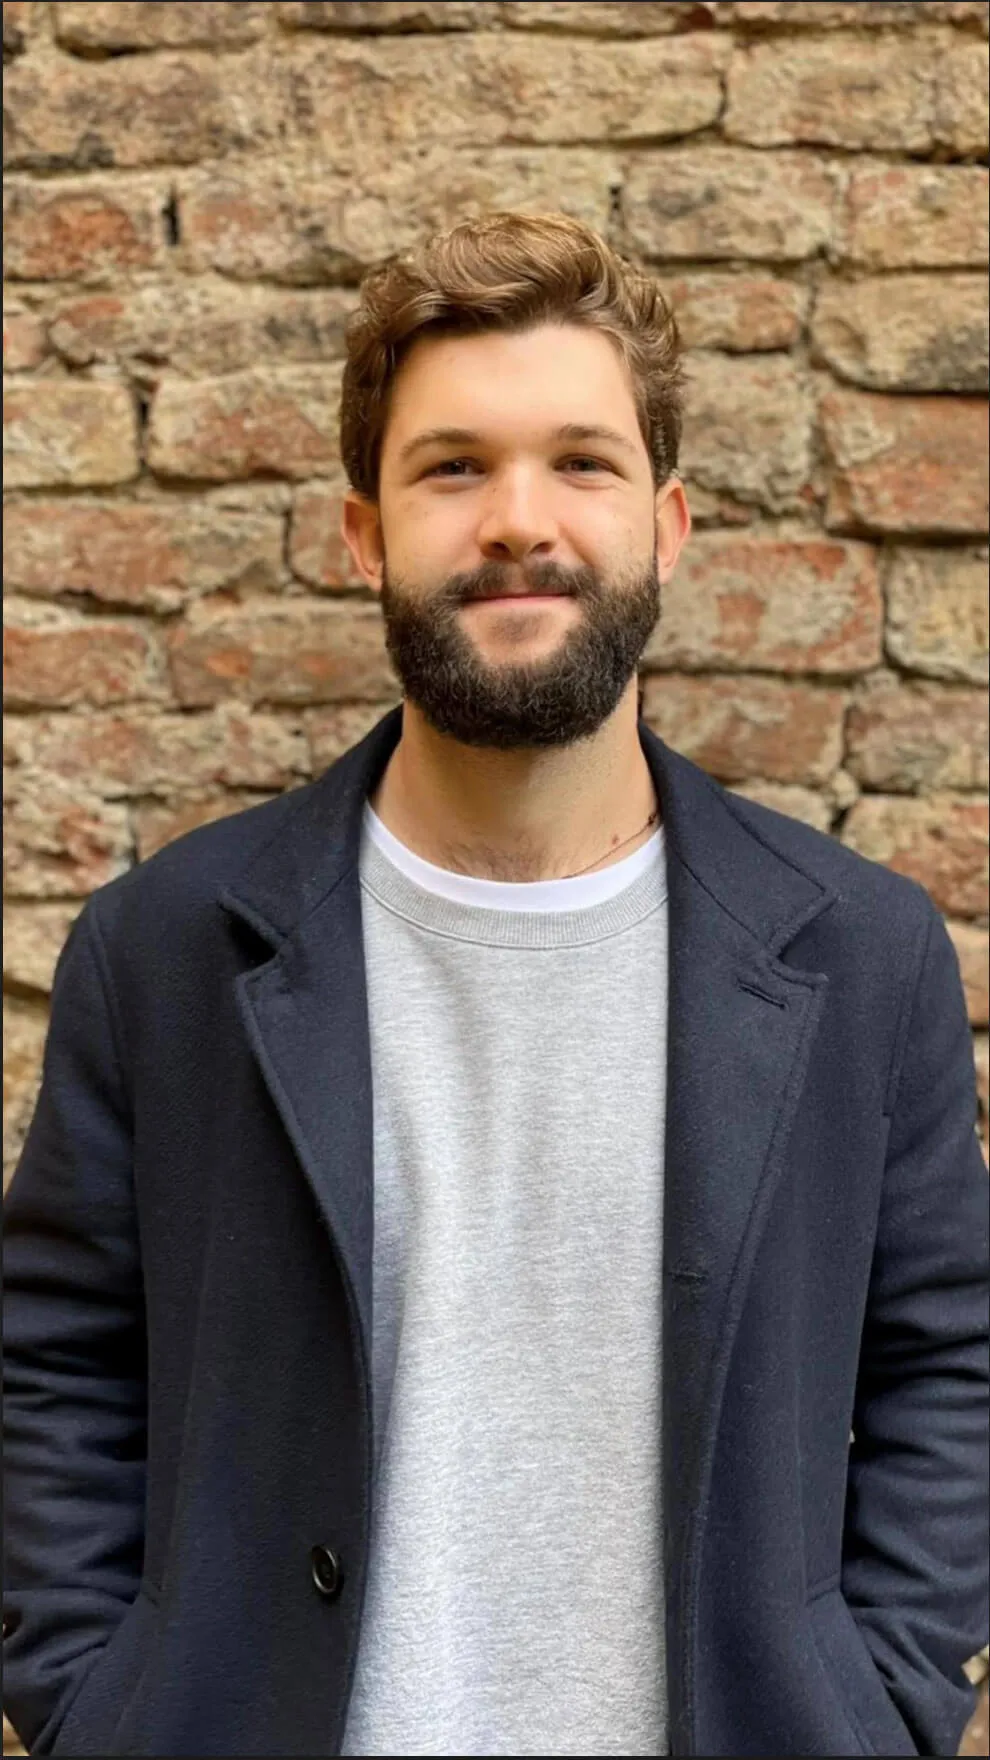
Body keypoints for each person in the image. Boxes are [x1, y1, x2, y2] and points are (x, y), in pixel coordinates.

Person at [3, 210, 987, 1760]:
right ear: (360, 533)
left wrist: (887, 1698)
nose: (517, 522)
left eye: (579, 463)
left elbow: (947, 1357)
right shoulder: (164, 951)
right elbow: (53, 1358)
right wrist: (87, 1699)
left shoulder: (862, 957)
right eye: (451, 467)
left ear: (665, 526)